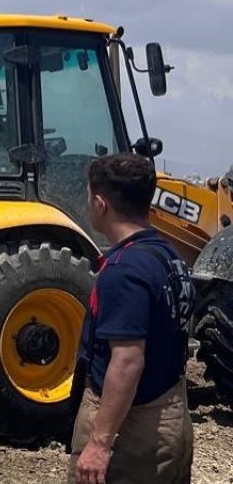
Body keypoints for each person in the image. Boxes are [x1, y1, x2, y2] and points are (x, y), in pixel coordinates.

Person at [68, 153, 195, 484]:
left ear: (100, 204)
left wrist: (99, 444)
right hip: (169, 417)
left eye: (88, 197)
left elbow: (127, 361)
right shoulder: (170, 257)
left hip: (133, 436)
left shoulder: (124, 270)